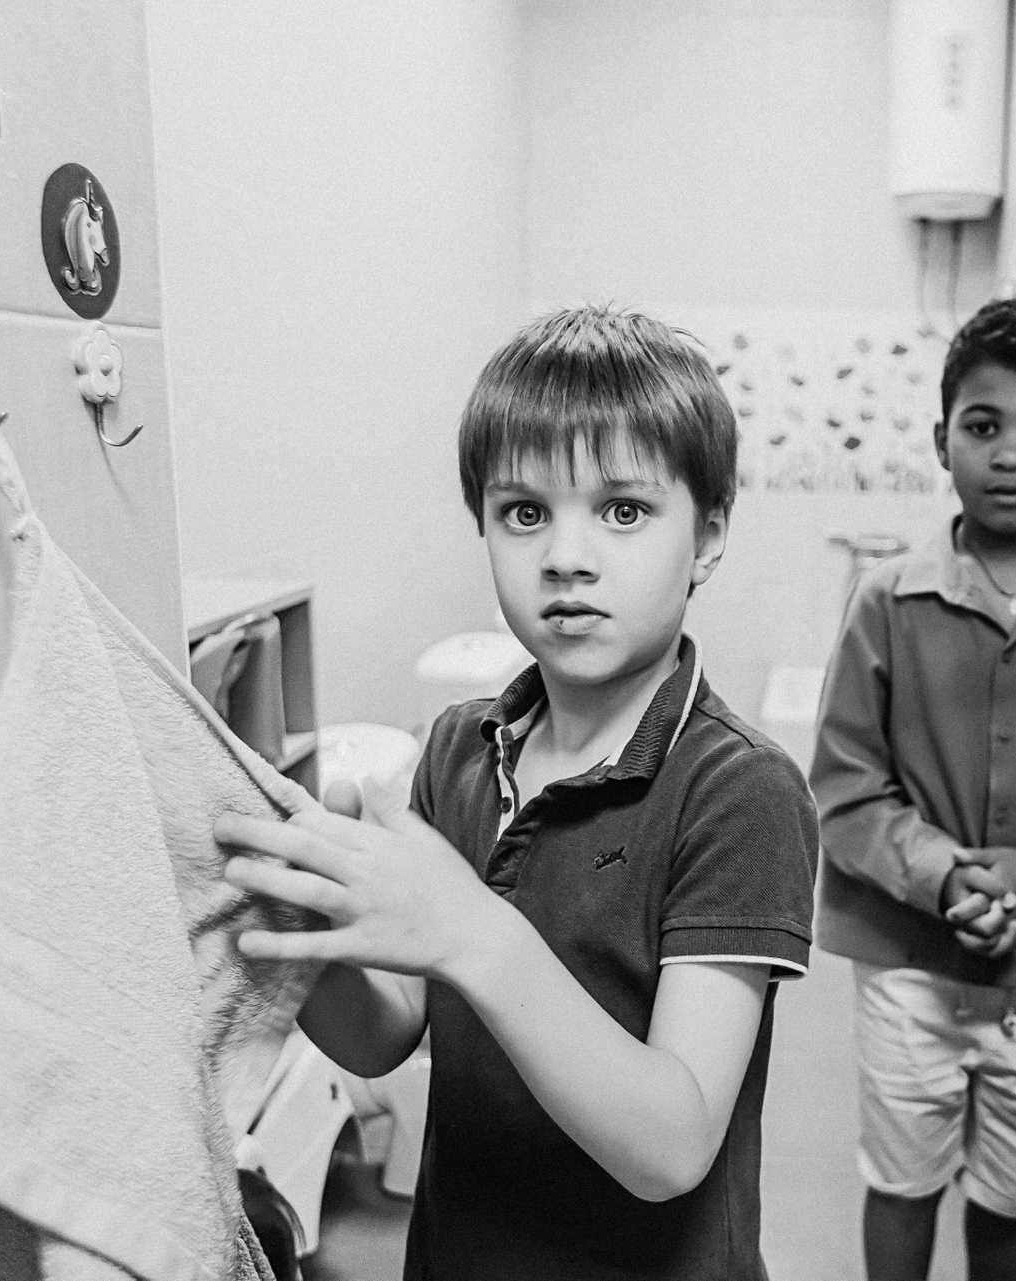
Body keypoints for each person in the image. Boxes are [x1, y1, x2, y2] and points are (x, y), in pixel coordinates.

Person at [216, 307, 818, 1280]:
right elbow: (384, 1036)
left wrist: (472, 930)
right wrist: (302, 926)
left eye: (623, 511)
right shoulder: (460, 748)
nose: (566, 556)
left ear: (707, 537)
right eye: (525, 512)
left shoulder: (738, 790)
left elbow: (673, 1145)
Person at [810, 297, 1016, 1281]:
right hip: (907, 961)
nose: (1012, 454)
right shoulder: (886, 602)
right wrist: (946, 876)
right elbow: (844, 788)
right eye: (984, 427)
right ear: (940, 439)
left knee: (1012, 1191)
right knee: (902, 1181)